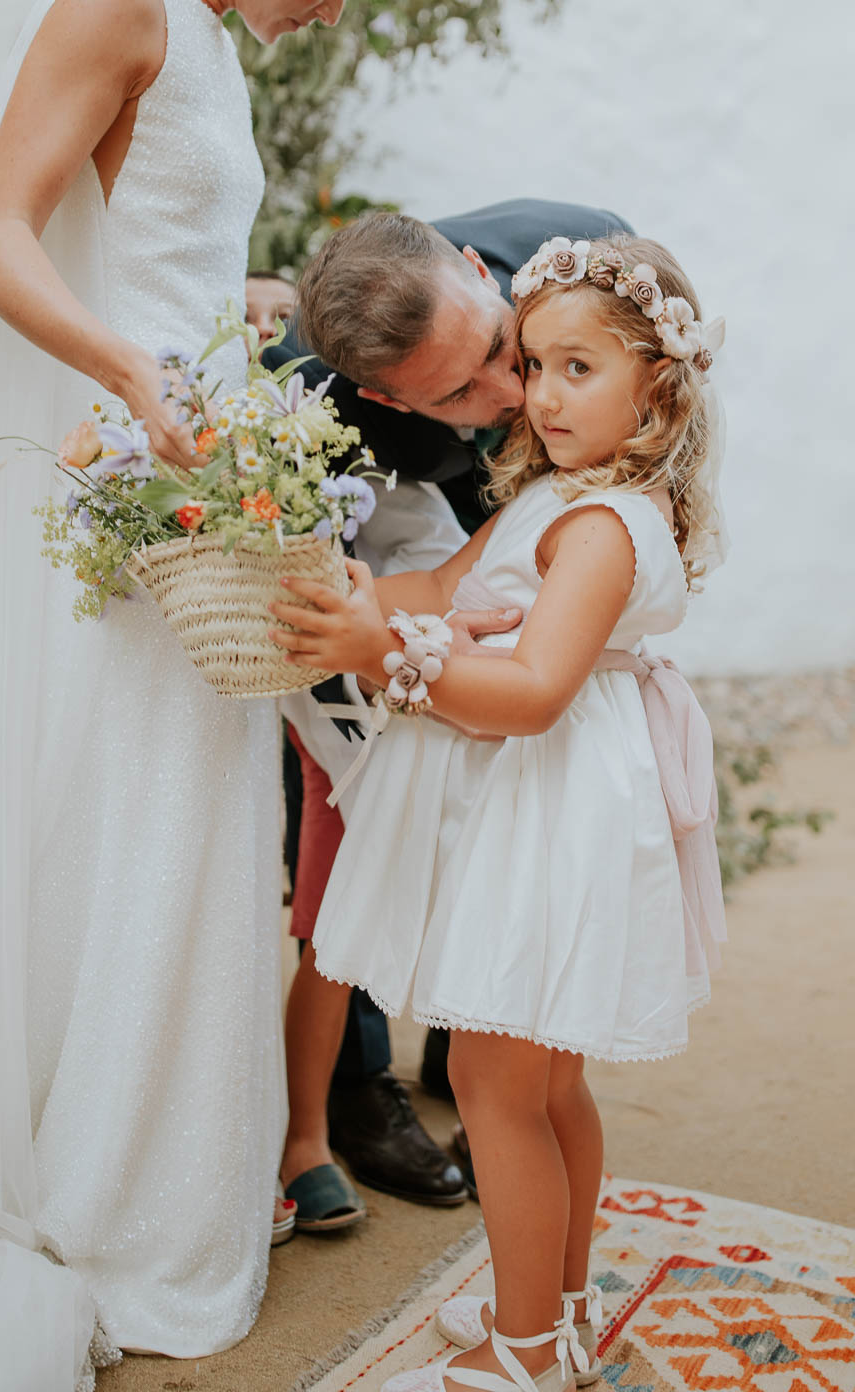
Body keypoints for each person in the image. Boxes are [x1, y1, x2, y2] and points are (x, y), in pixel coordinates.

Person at [0, 0, 397, 1391]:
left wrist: (224, 306)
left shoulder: (206, 37)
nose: (337, 3)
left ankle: (139, 1179)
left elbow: (122, 242)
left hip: (186, 487)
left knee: (171, 834)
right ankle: (73, 1193)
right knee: (113, 825)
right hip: (120, 489)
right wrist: (143, 374)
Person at [273, 232, 728, 1392]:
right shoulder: (553, 498)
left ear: (659, 384)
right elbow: (445, 589)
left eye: (582, 368)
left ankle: (525, 1348)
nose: (539, 391)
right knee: (541, 1083)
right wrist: (352, 590)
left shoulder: (602, 527)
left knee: (492, 1083)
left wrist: (386, 655)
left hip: (556, 819)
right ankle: (558, 1310)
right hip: (537, 813)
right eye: (534, 363)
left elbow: (529, 694)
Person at [275, 203, 634, 1216]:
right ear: (389, 397)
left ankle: (487, 1073)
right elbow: (365, 596)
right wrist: (368, 634)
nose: (510, 392)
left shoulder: (584, 260)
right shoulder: (322, 412)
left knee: (513, 826)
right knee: (344, 853)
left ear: (483, 270)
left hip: (532, 554)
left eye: (497, 350)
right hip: (417, 585)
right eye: (461, 394)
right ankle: (348, 1097)